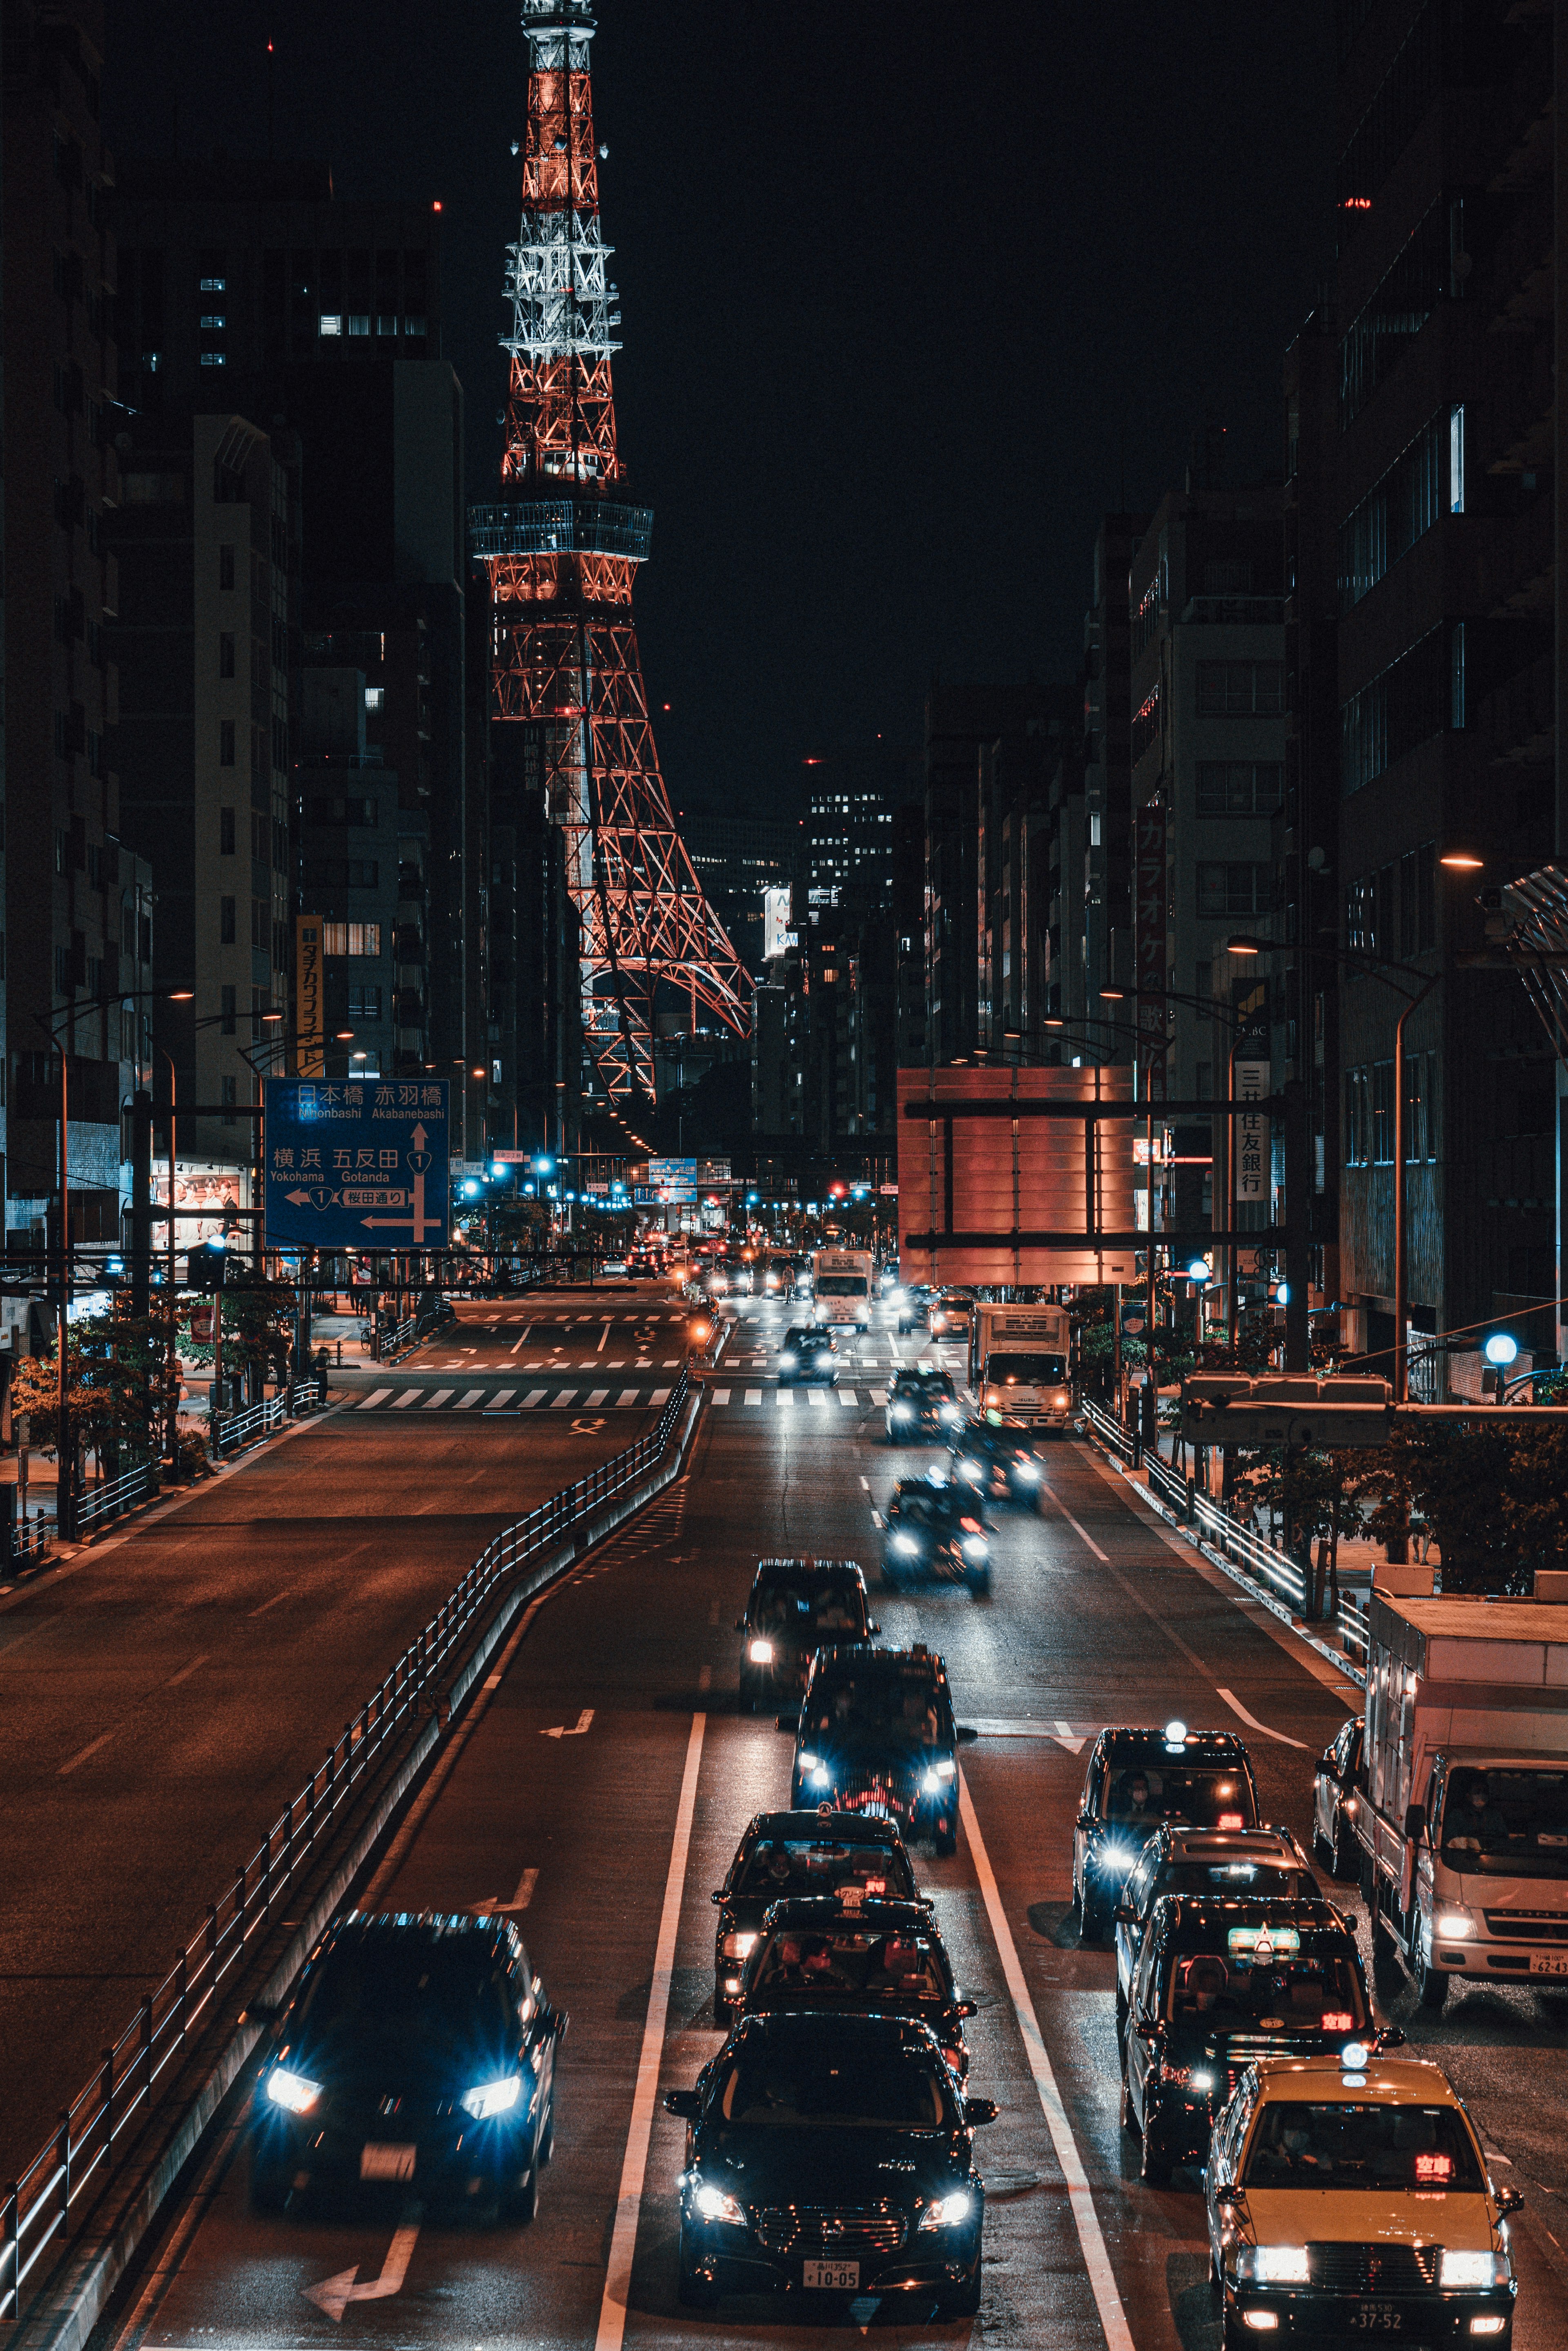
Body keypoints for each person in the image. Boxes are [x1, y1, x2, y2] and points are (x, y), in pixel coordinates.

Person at [1452, 1775, 1510, 1855]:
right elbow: (1452, 1841)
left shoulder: (1495, 1816)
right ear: (1468, 1796)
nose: (1481, 1795)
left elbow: (1504, 1839)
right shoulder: (1458, 1815)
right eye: (1477, 1792)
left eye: (1485, 1792)